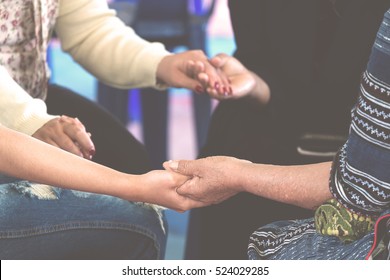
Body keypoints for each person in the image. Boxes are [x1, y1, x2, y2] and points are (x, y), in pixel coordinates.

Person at [0, 0, 225, 259]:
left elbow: (89, 30)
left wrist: (162, 63)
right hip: (12, 120)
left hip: (34, 93)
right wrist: (30, 120)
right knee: (134, 225)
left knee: (132, 162)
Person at [165, 7, 390, 259]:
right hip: (271, 121)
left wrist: (237, 175)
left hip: (365, 164)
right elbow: (259, 55)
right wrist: (255, 83)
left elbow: (364, 181)